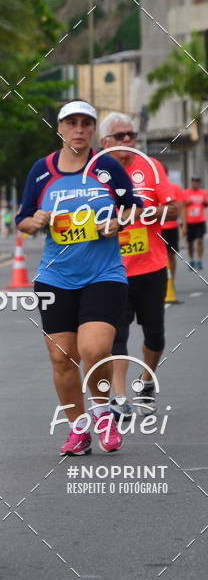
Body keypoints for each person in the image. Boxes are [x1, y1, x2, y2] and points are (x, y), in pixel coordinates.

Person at [16, 100, 139, 456]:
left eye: (87, 123)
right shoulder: (42, 172)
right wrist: (35, 222)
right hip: (56, 277)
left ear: (94, 131)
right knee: (61, 357)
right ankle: (78, 428)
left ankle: (102, 411)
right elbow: (22, 219)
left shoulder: (107, 168)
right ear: (60, 128)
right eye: (72, 123)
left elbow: (131, 205)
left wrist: (119, 221)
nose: (79, 130)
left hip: (104, 274)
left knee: (94, 348)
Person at [100, 112, 178, 419]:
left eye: (131, 135)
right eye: (120, 137)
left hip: (151, 267)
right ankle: (120, 397)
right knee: (117, 336)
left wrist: (138, 215)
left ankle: (146, 382)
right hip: (112, 270)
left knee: (154, 335)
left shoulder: (151, 167)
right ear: (105, 142)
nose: (128, 140)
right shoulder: (95, 173)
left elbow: (172, 210)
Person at [161, 164, 185, 286]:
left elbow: (181, 208)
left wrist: (184, 225)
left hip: (171, 228)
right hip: (157, 229)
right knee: (160, 257)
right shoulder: (150, 187)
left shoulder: (174, 188)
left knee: (171, 255)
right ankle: (162, 282)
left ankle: (172, 281)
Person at [182, 176, 208, 269]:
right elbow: (181, 206)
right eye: (194, 182)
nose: (195, 184)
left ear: (199, 183)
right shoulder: (185, 193)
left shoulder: (203, 193)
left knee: (200, 241)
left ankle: (199, 260)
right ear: (191, 182)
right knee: (190, 243)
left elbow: (206, 203)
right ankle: (192, 260)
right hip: (189, 221)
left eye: (197, 182)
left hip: (200, 221)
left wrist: (205, 202)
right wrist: (187, 203)